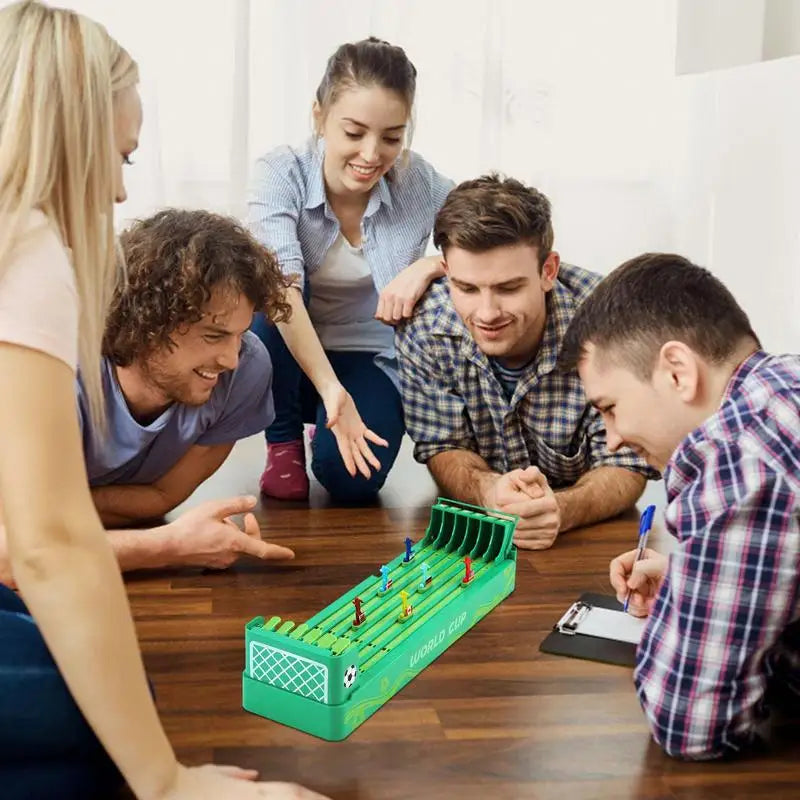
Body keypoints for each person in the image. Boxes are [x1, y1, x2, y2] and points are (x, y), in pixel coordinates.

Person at [0, 3, 327, 798]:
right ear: (67, 135)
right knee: (101, 723)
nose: (116, 188)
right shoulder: (32, 252)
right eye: (119, 156)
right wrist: (169, 782)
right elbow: (42, 545)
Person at [559, 252, 800, 760]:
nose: (613, 439)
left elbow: (689, 723)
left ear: (677, 371)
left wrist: (683, 608)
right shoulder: (784, 386)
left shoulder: (740, 459)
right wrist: (696, 578)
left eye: (610, 408)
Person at [395, 175, 653, 550]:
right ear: (446, 272)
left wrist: (562, 510)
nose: (486, 312)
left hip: (588, 548)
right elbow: (442, 444)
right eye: (466, 288)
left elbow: (627, 464)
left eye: (508, 288)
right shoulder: (424, 325)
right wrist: (488, 492)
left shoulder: (612, 323)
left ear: (548, 271)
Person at [248, 36, 453, 503]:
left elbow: (487, 242)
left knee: (352, 481)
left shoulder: (418, 182)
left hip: (369, 352)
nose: (371, 154)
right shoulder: (280, 173)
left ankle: (327, 432)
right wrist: (329, 388)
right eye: (354, 132)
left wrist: (430, 265)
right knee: (264, 294)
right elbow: (280, 290)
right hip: (288, 354)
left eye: (392, 137)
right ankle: (283, 440)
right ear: (319, 116)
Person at [83, 208, 294, 572]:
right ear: (146, 322)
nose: (231, 359)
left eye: (239, 335)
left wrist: (50, 517)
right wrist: (172, 544)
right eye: (213, 335)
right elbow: (12, 552)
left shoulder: (247, 368)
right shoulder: (58, 370)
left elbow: (160, 497)